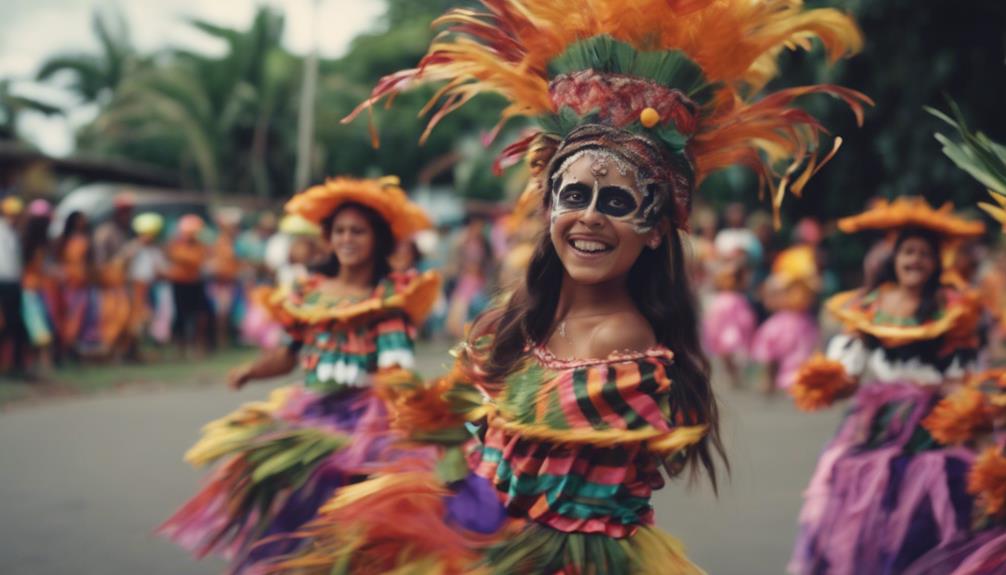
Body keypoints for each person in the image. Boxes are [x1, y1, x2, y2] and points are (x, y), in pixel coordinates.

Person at [265, 1, 868, 572]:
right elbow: (478, 446)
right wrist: (441, 444)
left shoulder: (622, 344)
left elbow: (543, 492)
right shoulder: (519, 321)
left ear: (656, 230)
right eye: (574, 196)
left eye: (617, 201)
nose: (590, 218)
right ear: (549, 208)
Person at [159, 176, 440, 573]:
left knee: (353, 520)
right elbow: (288, 354)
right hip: (309, 413)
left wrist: (415, 406)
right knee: (291, 508)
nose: (347, 238)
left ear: (377, 238)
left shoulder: (389, 300)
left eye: (357, 231)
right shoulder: (310, 292)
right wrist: (251, 371)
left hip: (365, 422)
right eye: (339, 230)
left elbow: (395, 369)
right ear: (327, 237)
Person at [787, 197, 986, 574]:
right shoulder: (869, 304)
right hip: (876, 428)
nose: (915, 260)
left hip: (934, 428)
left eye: (924, 254)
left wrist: (975, 432)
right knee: (867, 515)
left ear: (936, 263)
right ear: (894, 258)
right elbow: (850, 376)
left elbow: (964, 380)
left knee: (926, 520)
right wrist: (828, 383)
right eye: (908, 252)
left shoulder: (954, 307)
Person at [750, 244, 821, 394]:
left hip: (799, 323)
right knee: (773, 353)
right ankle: (770, 380)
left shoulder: (805, 282)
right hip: (787, 322)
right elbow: (769, 299)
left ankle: (779, 381)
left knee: (796, 353)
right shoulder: (782, 281)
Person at [163, 214, 212, 356]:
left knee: (199, 315)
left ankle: (197, 345)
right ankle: (180, 346)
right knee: (180, 315)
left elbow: (198, 260)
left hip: (195, 282)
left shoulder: (200, 246)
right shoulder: (177, 245)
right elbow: (185, 259)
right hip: (180, 283)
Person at [0, 196, 27, 375]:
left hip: (13, 283)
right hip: (2, 282)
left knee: (15, 324)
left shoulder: (14, 233)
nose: (14, 217)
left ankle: (15, 365)